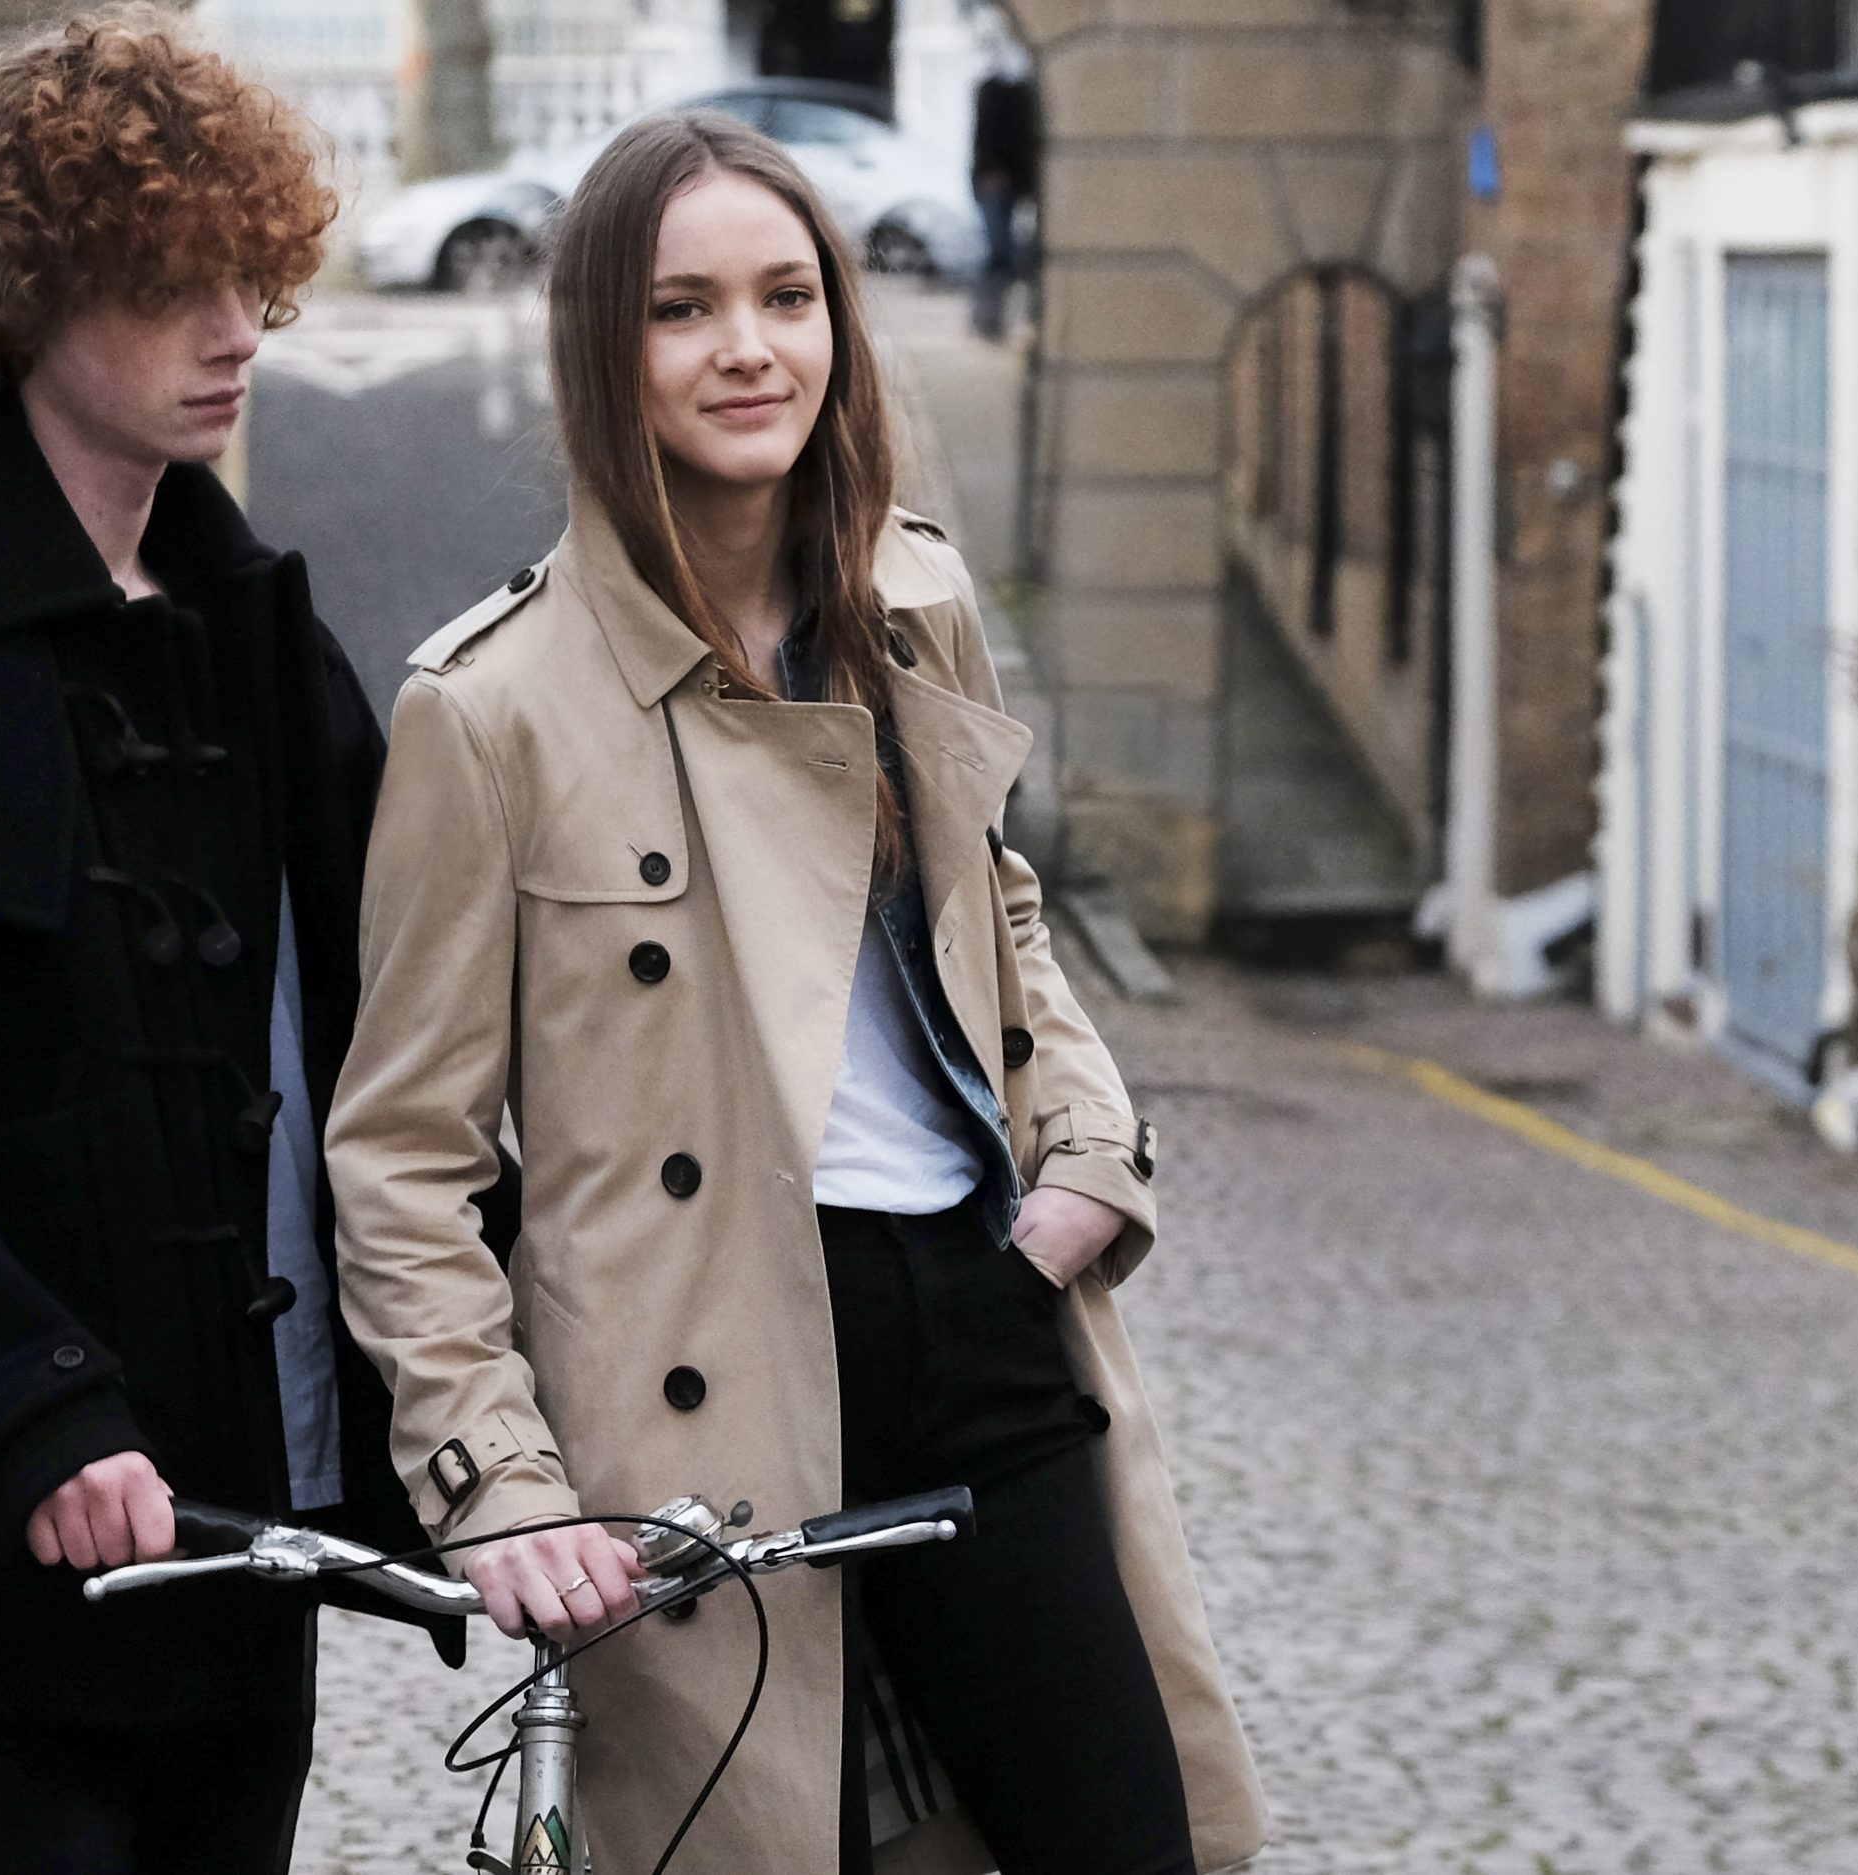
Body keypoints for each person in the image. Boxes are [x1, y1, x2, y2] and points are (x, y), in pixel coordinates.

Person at [323, 111, 1267, 1875]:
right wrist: (500, 1483)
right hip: (698, 1379)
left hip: (975, 1313)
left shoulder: (914, 603)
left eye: (784, 295)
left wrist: (1078, 1169)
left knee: (1120, 1837)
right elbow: (402, 1161)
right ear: (604, 349)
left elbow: (1005, 925)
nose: (746, 349)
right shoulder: (491, 706)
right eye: (682, 309)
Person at [0, 11, 466, 1871]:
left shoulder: (254, 632)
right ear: (27, 290)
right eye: (175, 282)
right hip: (18, 1543)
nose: (237, 327)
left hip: (251, 1523)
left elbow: (409, 1026)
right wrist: (23, 1414)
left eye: (251, 274)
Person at [969, 58, 1040, 340]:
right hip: (995, 181)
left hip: (1021, 180)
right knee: (998, 254)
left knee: (1018, 256)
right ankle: (987, 320)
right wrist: (991, 170)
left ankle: (1000, 319)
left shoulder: (1025, 89)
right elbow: (984, 134)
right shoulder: (993, 89)